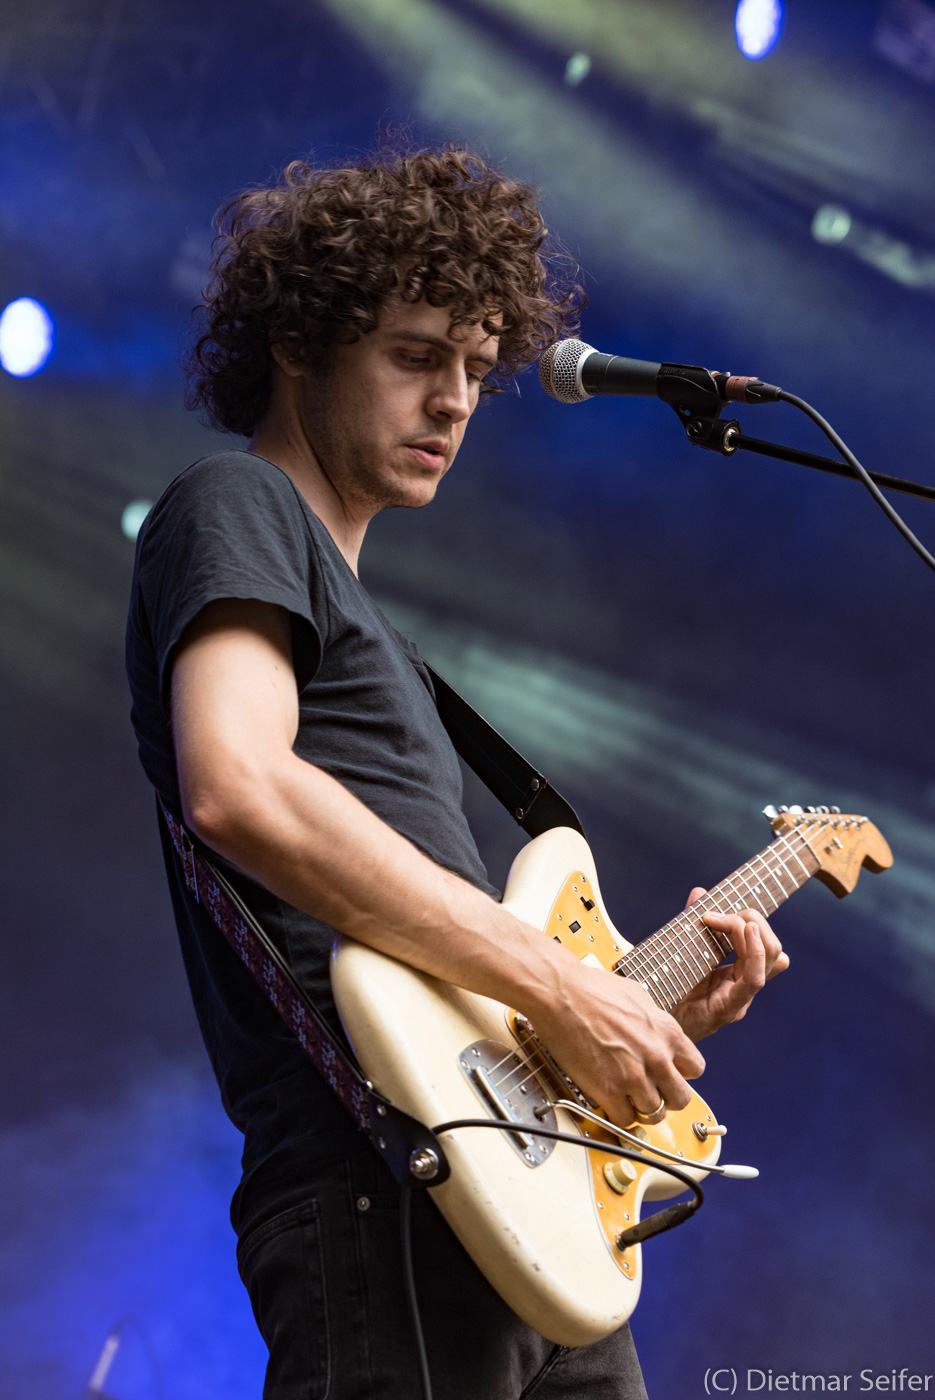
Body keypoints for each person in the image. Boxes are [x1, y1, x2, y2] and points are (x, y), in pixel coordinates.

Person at [126, 142, 788, 1400]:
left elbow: (443, 973)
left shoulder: (380, 638)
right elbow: (237, 784)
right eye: (416, 356)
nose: (454, 402)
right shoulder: (234, 501)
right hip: (381, 1180)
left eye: (478, 370)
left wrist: (624, 1017)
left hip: (516, 1183)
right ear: (299, 341)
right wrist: (560, 985)